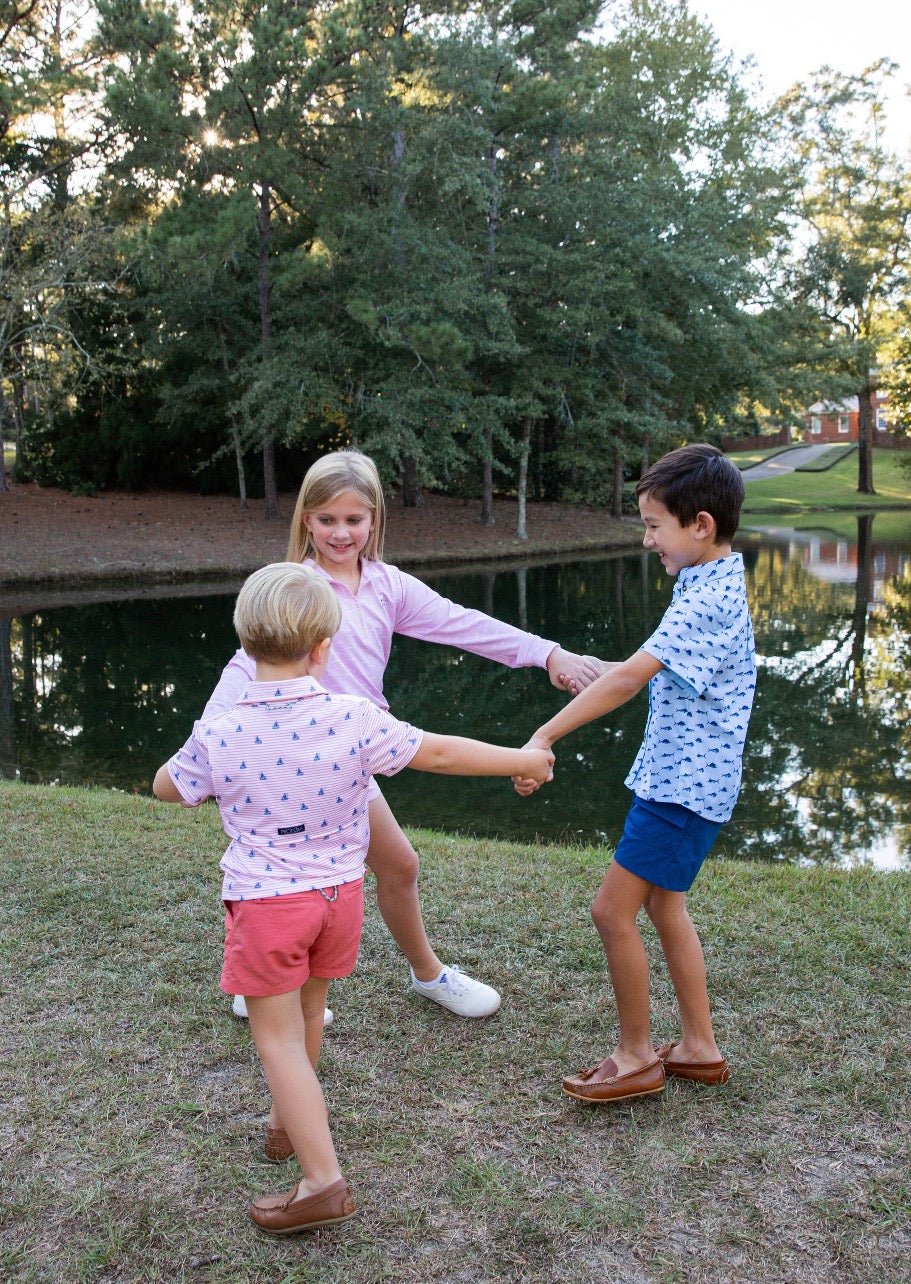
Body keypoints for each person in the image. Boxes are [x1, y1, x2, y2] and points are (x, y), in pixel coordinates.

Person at [154, 562, 553, 1234]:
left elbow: (169, 786)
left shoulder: (220, 728)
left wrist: (205, 766)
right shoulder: (353, 716)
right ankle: (288, 1118)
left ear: (245, 646)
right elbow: (444, 753)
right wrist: (520, 758)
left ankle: (321, 1179)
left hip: (268, 905)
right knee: (308, 1014)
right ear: (322, 649)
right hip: (338, 900)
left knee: (274, 1038)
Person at [203, 448, 601, 1023]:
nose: (341, 533)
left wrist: (547, 654)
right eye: (326, 519)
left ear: (374, 519)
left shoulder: (386, 587)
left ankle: (426, 976)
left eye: (354, 519)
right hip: (292, 764)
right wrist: (211, 742)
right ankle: (260, 983)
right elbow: (249, 663)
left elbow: (464, 623)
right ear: (305, 521)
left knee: (396, 866)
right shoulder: (296, 590)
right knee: (274, 865)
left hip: (350, 761)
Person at [516, 444, 756, 1103]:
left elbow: (627, 680)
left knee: (610, 910)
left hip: (681, 790)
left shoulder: (703, 600)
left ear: (699, 525)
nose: (647, 539)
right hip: (685, 782)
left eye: (654, 525)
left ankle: (635, 1055)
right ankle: (699, 1047)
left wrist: (545, 731)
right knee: (662, 904)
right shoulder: (710, 578)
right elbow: (639, 670)